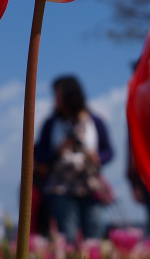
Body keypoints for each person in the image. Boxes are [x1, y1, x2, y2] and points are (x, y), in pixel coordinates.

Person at [33, 75, 113, 241]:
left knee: (94, 232)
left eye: (57, 95)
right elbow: (37, 153)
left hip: (90, 185)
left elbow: (109, 151)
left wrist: (97, 157)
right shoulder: (51, 124)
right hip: (61, 187)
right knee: (67, 233)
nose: (54, 99)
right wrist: (58, 151)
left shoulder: (94, 121)